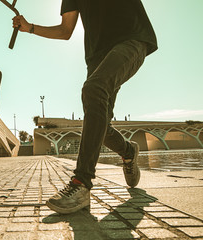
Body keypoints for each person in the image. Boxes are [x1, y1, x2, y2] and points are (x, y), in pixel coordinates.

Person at [13, 0, 157, 214]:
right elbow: (65, 30)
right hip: (97, 58)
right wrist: (30, 28)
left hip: (132, 40)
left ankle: (81, 183)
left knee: (93, 89)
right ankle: (128, 151)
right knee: (101, 126)